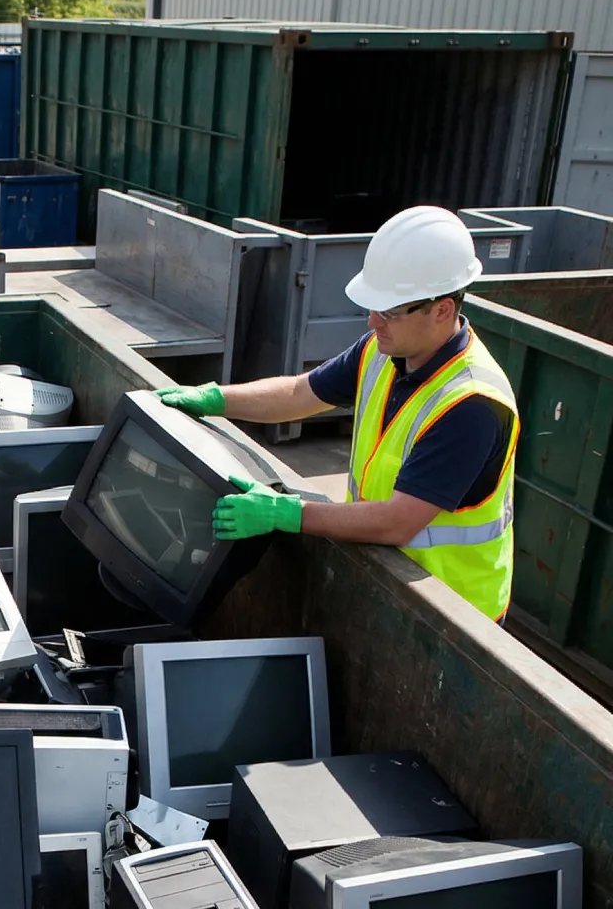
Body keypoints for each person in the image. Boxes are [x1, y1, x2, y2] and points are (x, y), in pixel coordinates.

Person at [156, 205, 520, 621]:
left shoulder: (470, 405)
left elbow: (397, 523)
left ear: (442, 309)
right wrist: (216, 399)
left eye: (389, 311)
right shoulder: (382, 352)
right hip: (388, 581)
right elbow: (299, 393)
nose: (372, 321)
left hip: (454, 618)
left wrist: (285, 512)